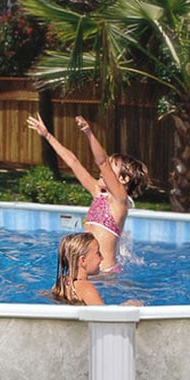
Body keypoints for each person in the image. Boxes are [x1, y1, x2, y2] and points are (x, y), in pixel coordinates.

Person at [26, 113, 149, 272]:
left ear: (124, 179)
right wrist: (47, 135)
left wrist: (89, 133)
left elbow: (102, 162)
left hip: (105, 274)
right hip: (86, 271)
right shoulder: (99, 194)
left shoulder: (120, 200)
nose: (103, 172)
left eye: (111, 169)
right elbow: (73, 162)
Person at [51, 232, 105, 305]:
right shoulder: (87, 289)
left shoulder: (60, 284)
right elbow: (104, 315)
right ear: (83, 260)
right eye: (98, 253)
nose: (102, 258)